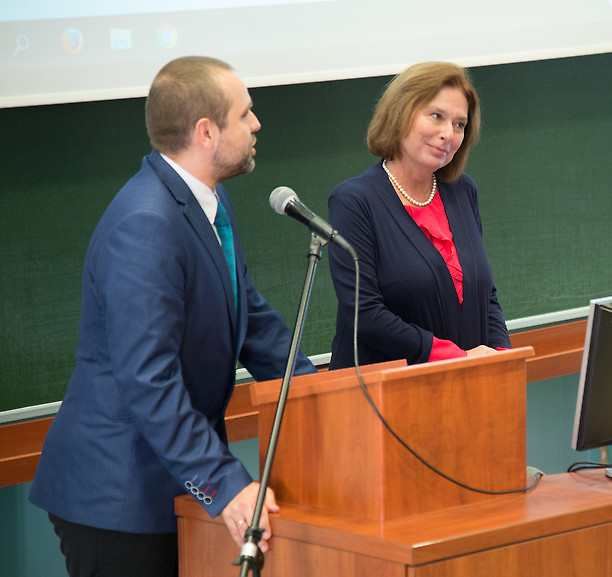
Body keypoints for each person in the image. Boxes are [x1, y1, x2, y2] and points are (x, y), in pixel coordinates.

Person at [29, 56, 315, 576]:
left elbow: (253, 321)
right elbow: (149, 380)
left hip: (168, 483)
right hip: (120, 496)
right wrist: (225, 485)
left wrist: (326, 397)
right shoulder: (146, 223)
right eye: (245, 113)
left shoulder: (207, 200)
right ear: (206, 132)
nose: (256, 124)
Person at [326, 62, 510, 370]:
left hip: (471, 383)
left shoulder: (463, 191)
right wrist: (456, 357)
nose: (448, 134)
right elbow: (366, 315)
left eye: (459, 124)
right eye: (436, 116)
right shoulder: (353, 201)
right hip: (384, 389)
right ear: (401, 113)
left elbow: (485, 296)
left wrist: (503, 357)